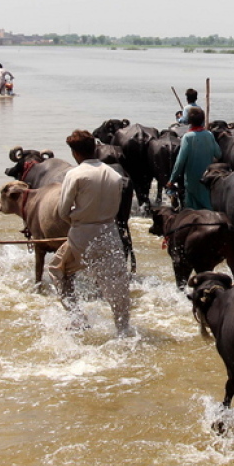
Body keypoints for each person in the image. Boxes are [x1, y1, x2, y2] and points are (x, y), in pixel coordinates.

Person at [48, 130, 133, 335]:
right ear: (95, 148)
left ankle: (77, 317)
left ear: (75, 154)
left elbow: (62, 211)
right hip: (109, 234)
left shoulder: (75, 174)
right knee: (117, 286)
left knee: (57, 270)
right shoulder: (115, 174)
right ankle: (123, 330)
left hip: (82, 236)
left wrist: (78, 222)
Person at [166, 107, 221, 210]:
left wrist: (171, 180)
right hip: (207, 179)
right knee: (208, 207)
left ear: (189, 122)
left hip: (192, 181)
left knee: (191, 211)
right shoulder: (209, 135)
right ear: (203, 120)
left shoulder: (187, 137)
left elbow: (180, 162)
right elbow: (218, 154)